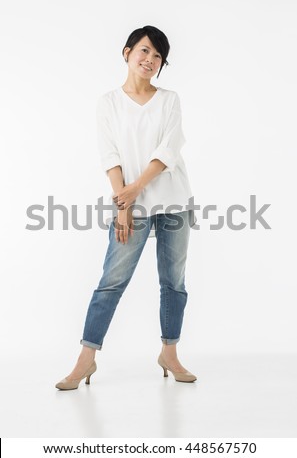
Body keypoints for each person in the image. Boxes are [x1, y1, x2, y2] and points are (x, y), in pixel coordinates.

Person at [55, 25, 197, 390]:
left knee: (174, 284)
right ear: (127, 52)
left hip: (173, 203)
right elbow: (110, 155)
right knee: (110, 283)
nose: (150, 60)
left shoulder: (170, 100)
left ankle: (170, 352)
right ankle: (86, 360)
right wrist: (124, 204)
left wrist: (134, 189)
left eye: (158, 56)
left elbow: (168, 151)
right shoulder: (108, 103)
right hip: (129, 206)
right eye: (145, 51)